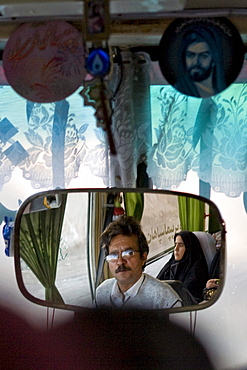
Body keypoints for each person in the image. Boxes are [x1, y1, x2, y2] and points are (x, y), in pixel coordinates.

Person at [95, 215, 182, 309]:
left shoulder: (164, 298)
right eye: (113, 256)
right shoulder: (102, 292)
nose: (120, 261)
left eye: (129, 253)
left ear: (143, 257)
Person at [157, 231, 209, 302]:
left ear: (189, 248)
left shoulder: (196, 270)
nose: (176, 249)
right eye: (175, 244)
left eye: (181, 245)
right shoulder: (170, 265)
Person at [175, 26, 226, 98]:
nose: (196, 62)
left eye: (203, 56)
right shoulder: (175, 93)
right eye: (191, 55)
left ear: (214, 60)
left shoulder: (225, 92)